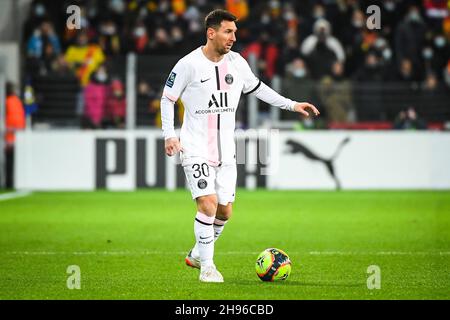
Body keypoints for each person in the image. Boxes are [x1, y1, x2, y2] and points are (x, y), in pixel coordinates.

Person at [160, 9, 319, 283]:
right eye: (228, 31)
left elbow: (259, 89)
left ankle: (198, 252)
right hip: (195, 148)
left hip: (227, 151)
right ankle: (207, 267)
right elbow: (167, 99)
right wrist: (169, 134)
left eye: (235, 32)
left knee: (224, 211)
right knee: (208, 205)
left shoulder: (237, 63)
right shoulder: (188, 64)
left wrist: (293, 105)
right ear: (211, 33)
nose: (234, 37)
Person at [4, 82, 26, 189]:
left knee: (9, 163)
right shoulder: (18, 101)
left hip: (9, 136)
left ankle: (9, 183)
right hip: (19, 136)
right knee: (15, 162)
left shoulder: (6, 102)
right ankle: (14, 183)